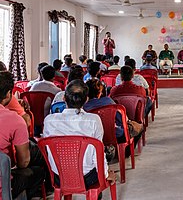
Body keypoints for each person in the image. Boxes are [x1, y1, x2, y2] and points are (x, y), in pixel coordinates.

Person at [43, 80, 116, 190]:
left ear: (64, 99)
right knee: (108, 152)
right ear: (86, 100)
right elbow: (98, 153)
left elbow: (48, 149)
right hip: (88, 178)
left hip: (59, 177)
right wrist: (105, 174)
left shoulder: (49, 120)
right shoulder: (94, 120)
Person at [0, 71, 45, 199]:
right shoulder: (15, 120)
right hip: (4, 184)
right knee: (37, 171)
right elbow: (23, 163)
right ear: (9, 94)